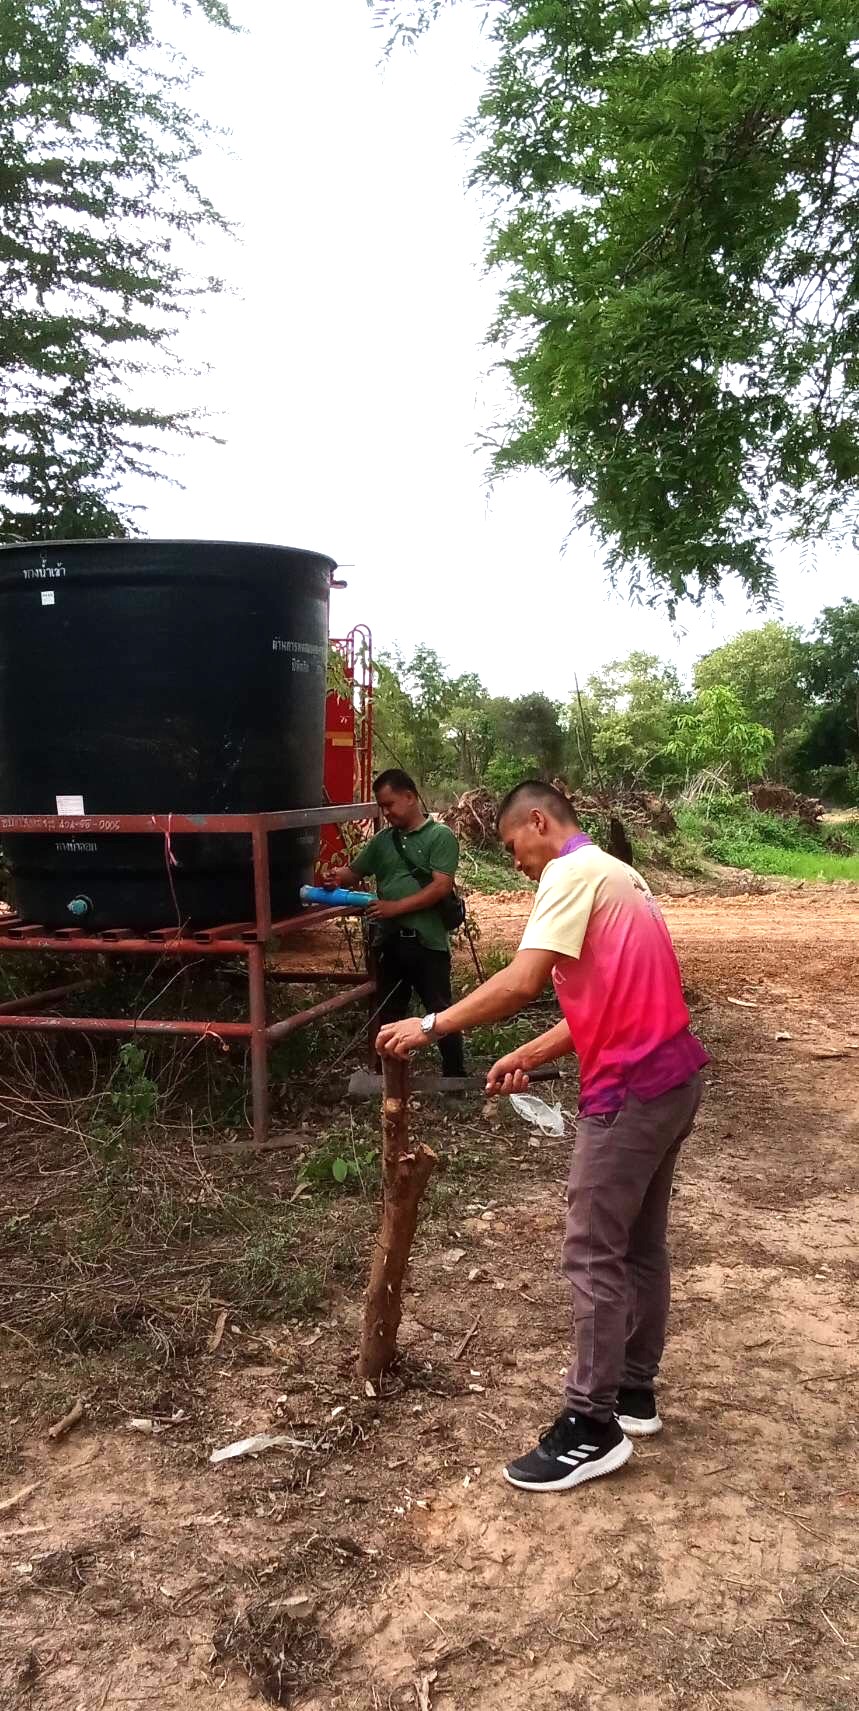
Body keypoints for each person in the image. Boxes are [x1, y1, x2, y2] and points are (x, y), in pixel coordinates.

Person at [377, 780, 708, 1496]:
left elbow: (520, 982)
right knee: (639, 1244)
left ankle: (590, 1425)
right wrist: (528, 1053)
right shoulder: (620, 875)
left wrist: (431, 1024)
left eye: (511, 846)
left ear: (537, 822)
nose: (516, 862)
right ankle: (633, 1392)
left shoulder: (569, 871)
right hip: (674, 1077)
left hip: (629, 1090)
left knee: (591, 1250)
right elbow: (607, 999)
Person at [327, 768, 465, 1078]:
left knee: (441, 1012)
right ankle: (387, 1079)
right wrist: (336, 878)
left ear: (410, 797)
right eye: (382, 806)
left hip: (427, 943)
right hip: (390, 943)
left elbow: (440, 887)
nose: (386, 812)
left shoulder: (439, 837)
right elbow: (354, 872)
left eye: (390, 804)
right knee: (388, 1013)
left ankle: (455, 1078)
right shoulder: (383, 841)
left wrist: (394, 908)